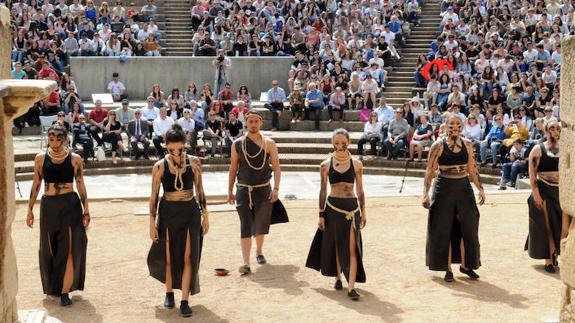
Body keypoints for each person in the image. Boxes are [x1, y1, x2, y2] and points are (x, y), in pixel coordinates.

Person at [147, 123, 209, 317]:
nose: (176, 153)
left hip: (190, 211)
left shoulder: (194, 162)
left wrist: (206, 215)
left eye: (180, 148)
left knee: (189, 256)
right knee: (168, 256)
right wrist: (151, 222)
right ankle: (168, 292)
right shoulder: (159, 166)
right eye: (172, 149)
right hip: (168, 212)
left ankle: (184, 299)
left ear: (185, 145)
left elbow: (200, 190)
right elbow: (154, 196)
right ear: (166, 146)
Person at [27, 123, 90, 306]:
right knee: (49, 247)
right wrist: (29, 208)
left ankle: (65, 291)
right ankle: (53, 286)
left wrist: (86, 210)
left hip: (69, 205)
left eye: (58, 138)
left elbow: (80, 184)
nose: (54, 142)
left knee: (69, 247)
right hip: (48, 206)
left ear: (65, 139)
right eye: (51, 138)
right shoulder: (40, 158)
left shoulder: (75, 159)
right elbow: (36, 184)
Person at [423, 114, 485, 282]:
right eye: (452, 124)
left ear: (462, 125)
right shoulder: (438, 145)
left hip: (464, 188)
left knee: (469, 228)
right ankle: (448, 268)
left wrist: (480, 188)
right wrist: (425, 193)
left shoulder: (468, 144)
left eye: (458, 123)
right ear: (446, 125)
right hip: (444, 188)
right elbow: (429, 170)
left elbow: (472, 169)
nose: (455, 126)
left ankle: (467, 265)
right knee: (445, 229)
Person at [306, 128, 366, 300]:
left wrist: (364, 211)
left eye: (343, 142)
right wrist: (320, 214)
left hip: (351, 208)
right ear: (332, 143)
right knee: (336, 245)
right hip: (333, 208)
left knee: (352, 248)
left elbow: (360, 190)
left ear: (349, 142)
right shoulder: (325, 165)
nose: (340, 145)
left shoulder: (357, 164)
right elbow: (323, 191)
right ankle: (338, 277)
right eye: (337, 142)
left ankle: (352, 287)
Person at [227, 111, 284, 275]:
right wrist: (230, 191)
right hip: (244, 189)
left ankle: (259, 251)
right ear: (246, 123)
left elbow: (277, 168)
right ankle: (246, 262)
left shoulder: (270, 144)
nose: (253, 124)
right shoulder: (237, 144)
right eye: (250, 121)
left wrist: (276, 189)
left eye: (256, 122)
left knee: (260, 224)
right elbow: (233, 169)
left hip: (263, 189)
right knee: (245, 225)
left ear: (260, 123)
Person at [525, 120, 569, 273]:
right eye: (552, 128)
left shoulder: (566, 148)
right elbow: (532, 173)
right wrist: (536, 194)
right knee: (547, 226)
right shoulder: (538, 149)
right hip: (544, 190)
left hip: (562, 192)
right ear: (546, 130)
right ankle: (549, 259)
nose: (556, 130)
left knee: (565, 228)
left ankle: (560, 254)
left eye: (558, 128)